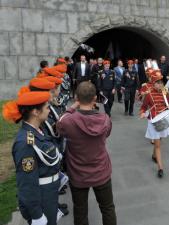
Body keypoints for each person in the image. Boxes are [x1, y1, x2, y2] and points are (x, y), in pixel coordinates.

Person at [56, 81, 117, 225]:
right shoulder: (105, 119)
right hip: (101, 171)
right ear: (95, 98)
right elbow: (106, 134)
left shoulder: (68, 121)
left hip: (78, 174)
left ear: (76, 98)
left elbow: (59, 123)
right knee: (108, 208)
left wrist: (72, 108)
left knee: (80, 210)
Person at [3, 91, 62, 225]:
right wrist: (37, 215)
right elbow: (27, 182)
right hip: (41, 199)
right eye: (47, 107)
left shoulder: (36, 130)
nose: (49, 110)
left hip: (48, 194)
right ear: (35, 112)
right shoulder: (25, 143)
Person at [140, 70, 169, 178]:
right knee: (158, 145)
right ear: (153, 83)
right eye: (157, 82)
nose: (160, 85)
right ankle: (160, 168)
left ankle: (153, 155)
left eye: (161, 82)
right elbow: (143, 107)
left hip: (164, 120)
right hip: (154, 122)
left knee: (159, 141)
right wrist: (142, 113)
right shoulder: (149, 95)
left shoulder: (166, 94)